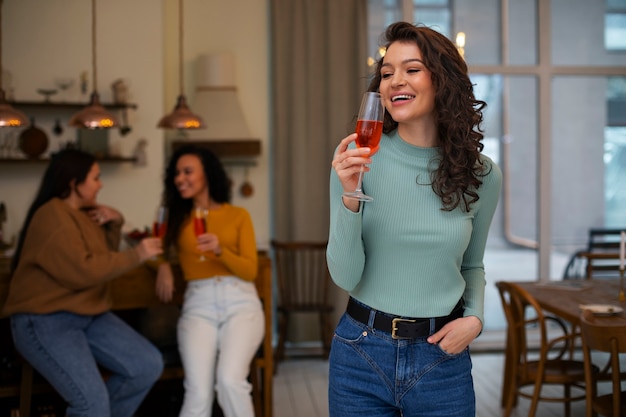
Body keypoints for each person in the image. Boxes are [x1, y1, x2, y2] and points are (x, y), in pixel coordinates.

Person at [327, 22, 502, 417]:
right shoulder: (357, 159)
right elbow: (345, 276)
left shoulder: (482, 175)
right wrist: (350, 194)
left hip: (441, 356)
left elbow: (472, 264)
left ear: (442, 80)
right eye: (387, 73)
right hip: (360, 350)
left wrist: (474, 317)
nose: (394, 82)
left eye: (411, 69)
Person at [1, 148, 164, 417]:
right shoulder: (51, 216)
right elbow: (83, 272)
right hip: (45, 320)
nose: (101, 184)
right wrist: (137, 254)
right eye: (96, 178)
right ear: (74, 183)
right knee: (91, 403)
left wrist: (114, 223)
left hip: (87, 315)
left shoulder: (83, 215)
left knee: (146, 365)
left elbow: (101, 260)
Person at [154, 145, 264, 417]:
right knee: (198, 393)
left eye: (188, 171)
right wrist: (163, 265)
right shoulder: (175, 218)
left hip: (240, 302)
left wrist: (220, 251)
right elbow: (151, 249)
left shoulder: (238, 216)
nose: (180, 178)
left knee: (229, 381)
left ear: (208, 175)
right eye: (177, 173)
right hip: (198, 305)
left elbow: (250, 271)